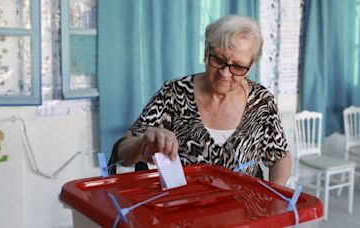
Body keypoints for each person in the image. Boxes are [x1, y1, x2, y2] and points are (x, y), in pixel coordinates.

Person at [111, 15, 291, 186]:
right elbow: (122, 154)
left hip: (246, 210)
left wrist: (275, 195)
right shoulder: (174, 93)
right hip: (187, 208)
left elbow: (279, 156)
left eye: (237, 66)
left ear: (251, 65)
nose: (225, 73)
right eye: (218, 60)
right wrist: (141, 142)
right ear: (206, 53)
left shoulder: (261, 101)